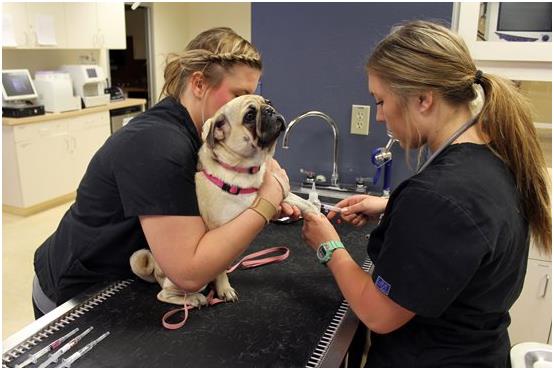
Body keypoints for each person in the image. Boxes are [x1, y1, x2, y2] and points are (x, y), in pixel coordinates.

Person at [301, 20, 551, 367]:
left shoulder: (438, 196)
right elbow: (470, 227)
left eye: (381, 101)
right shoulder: (496, 159)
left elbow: (378, 314)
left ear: (423, 99)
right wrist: (394, 206)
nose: (378, 116)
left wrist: (328, 246)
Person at [33, 27, 298, 318]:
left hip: (133, 277)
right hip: (76, 295)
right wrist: (267, 201)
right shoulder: (159, 144)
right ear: (199, 84)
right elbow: (189, 273)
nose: (246, 105)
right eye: (240, 95)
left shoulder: (199, 133)